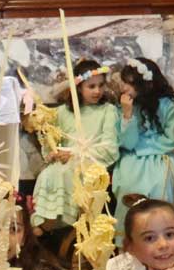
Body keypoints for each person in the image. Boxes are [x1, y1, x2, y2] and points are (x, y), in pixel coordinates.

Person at [30, 59, 120, 235]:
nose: (97, 91)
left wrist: (74, 155)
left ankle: (60, 224)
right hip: (64, 163)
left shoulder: (108, 110)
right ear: (79, 87)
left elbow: (109, 147)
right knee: (48, 174)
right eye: (91, 86)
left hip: (91, 165)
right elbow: (53, 142)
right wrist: (53, 150)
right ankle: (48, 223)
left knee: (65, 174)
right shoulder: (63, 112)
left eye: (101, 85)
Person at [111, 58, 174, 231]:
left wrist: (143, 147)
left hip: (160, 156)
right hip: (132, 155)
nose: (125, 88)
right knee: (128, 185)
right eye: (124, 82)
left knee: (158, 185)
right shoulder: (126, 105)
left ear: (145, 84)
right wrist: (127, 114)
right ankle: (129, 236)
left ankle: (160, 232)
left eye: (130, 83)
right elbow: (128, 143)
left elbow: (171, 140)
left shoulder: (169, 105)